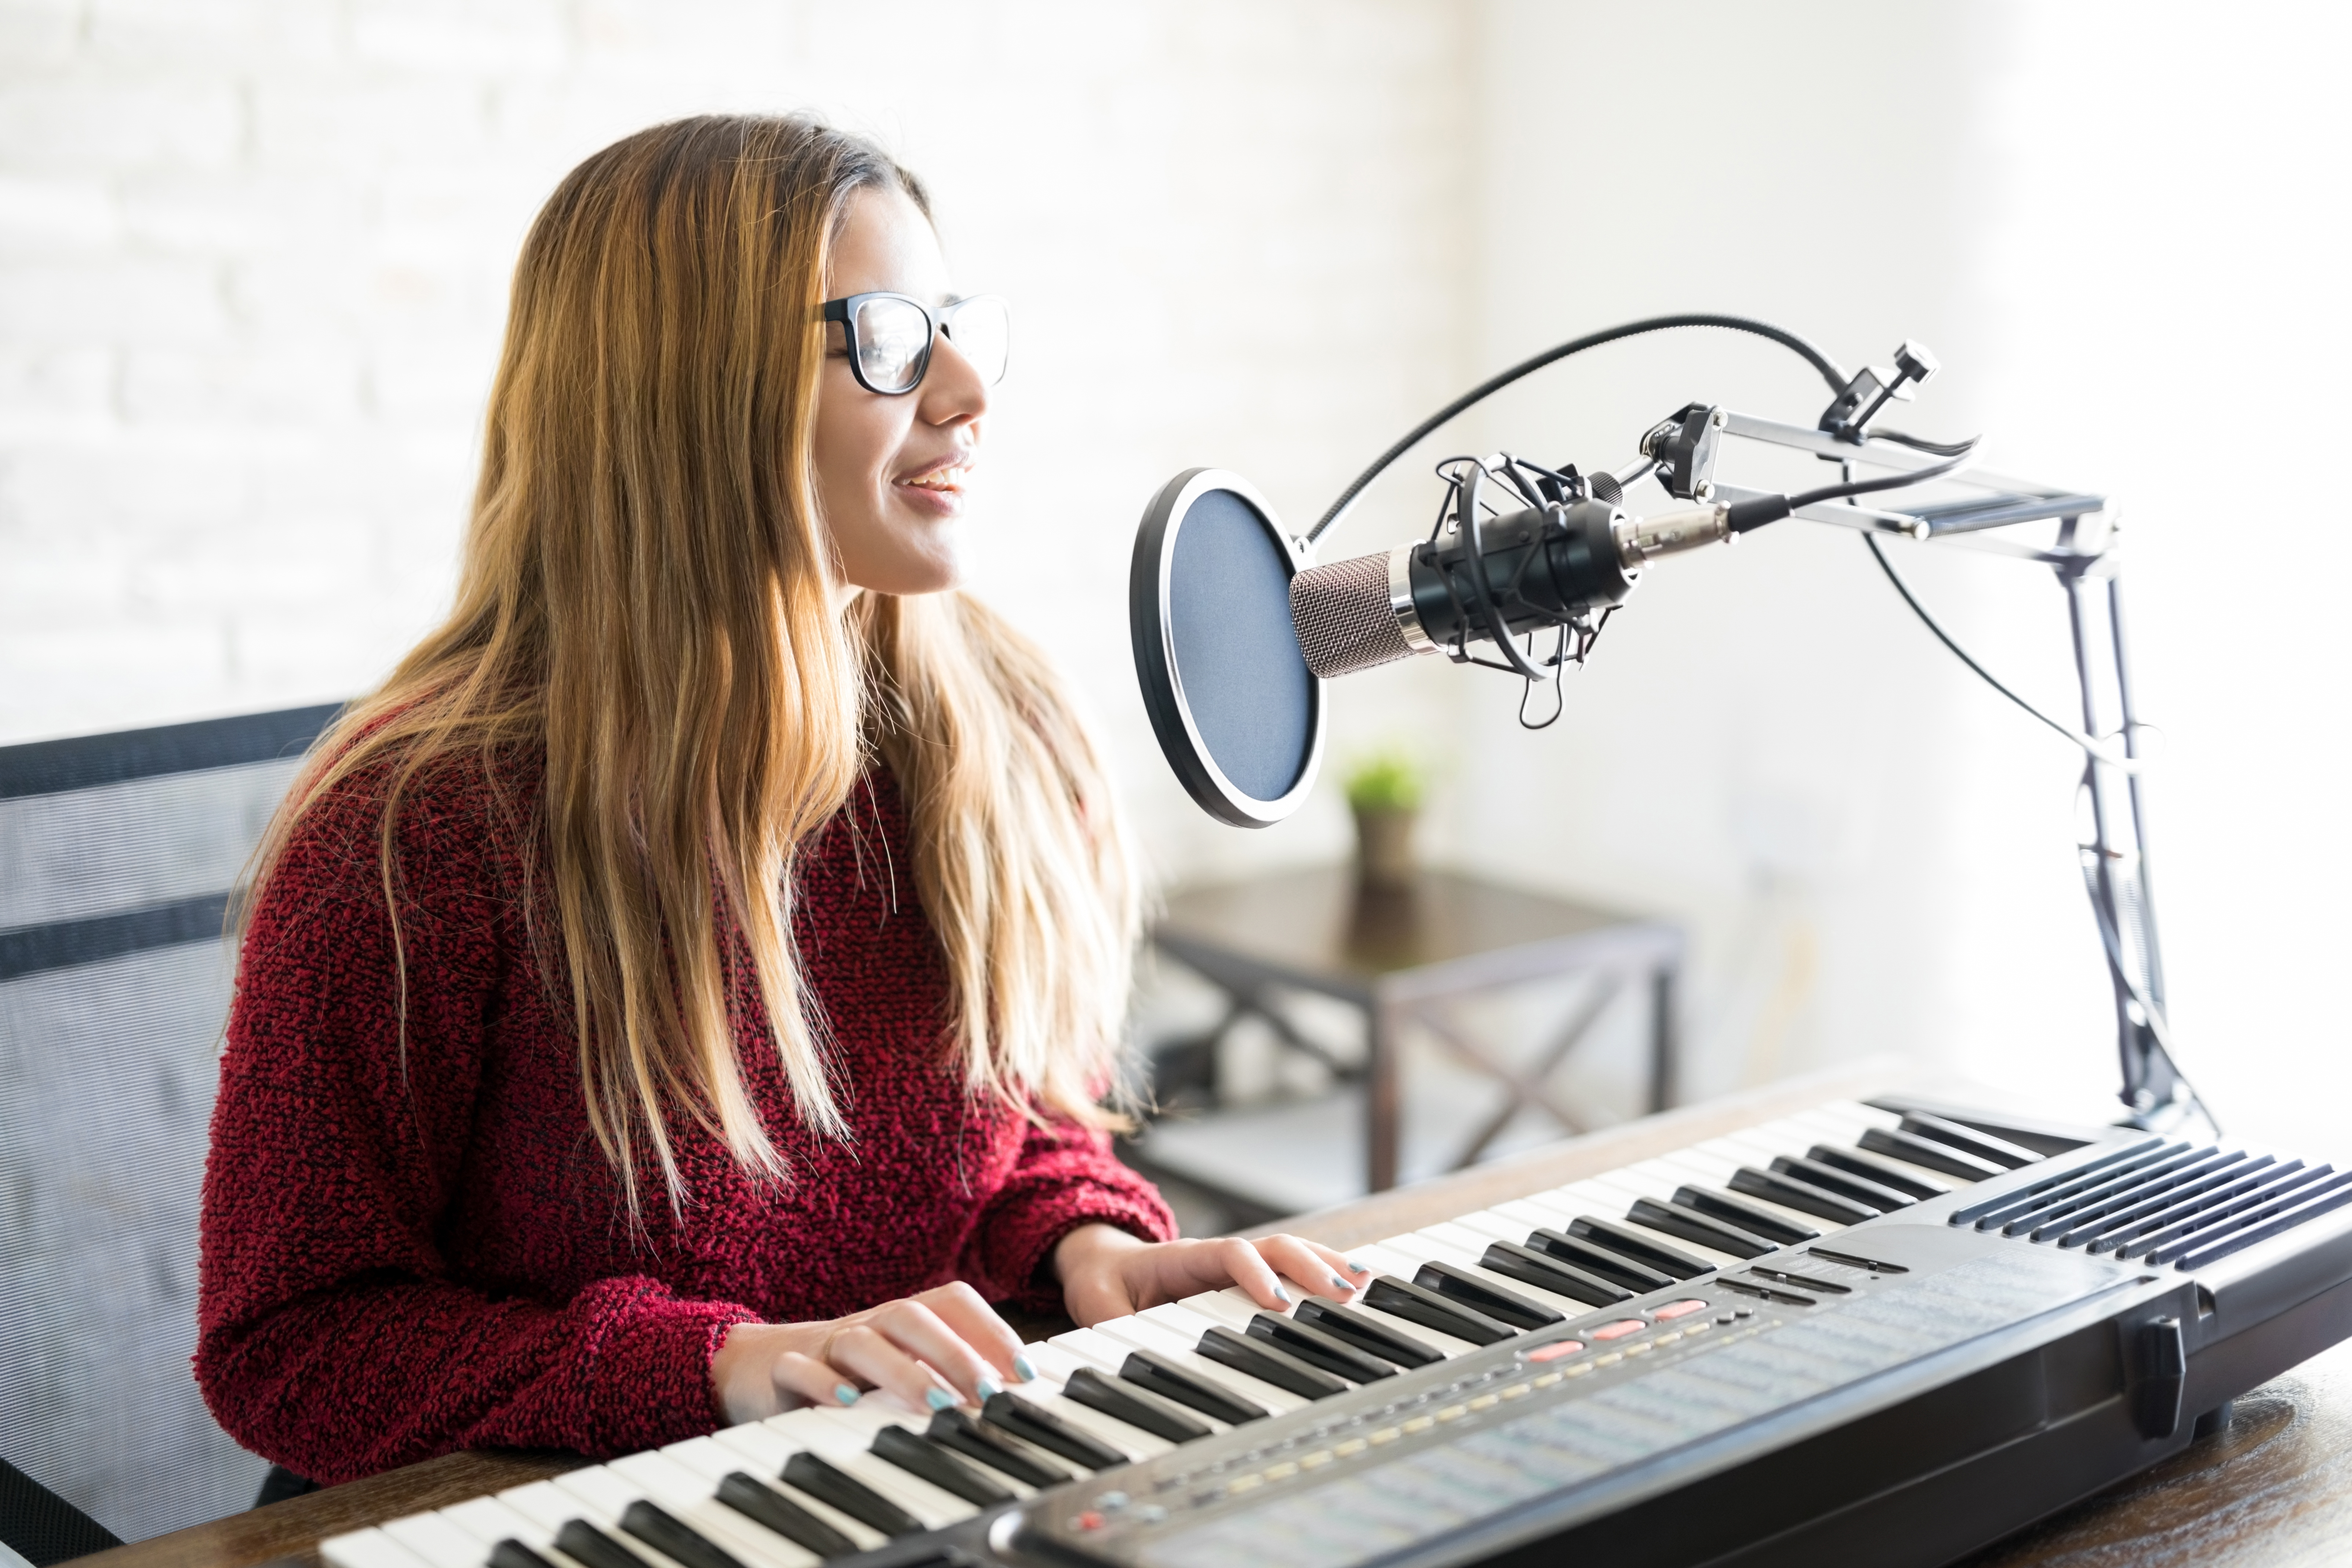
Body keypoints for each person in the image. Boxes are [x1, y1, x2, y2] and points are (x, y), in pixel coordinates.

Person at [195, 114, 1365, 1486]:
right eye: (886, 337)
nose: (969, 388)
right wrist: (710, 1362)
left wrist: (1083, 1242)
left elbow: (1022, 1125)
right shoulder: (414, 830)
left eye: (956, 324)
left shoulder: (1006, 733)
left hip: (887, 1481)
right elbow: (290, 1339)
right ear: (683, 392)